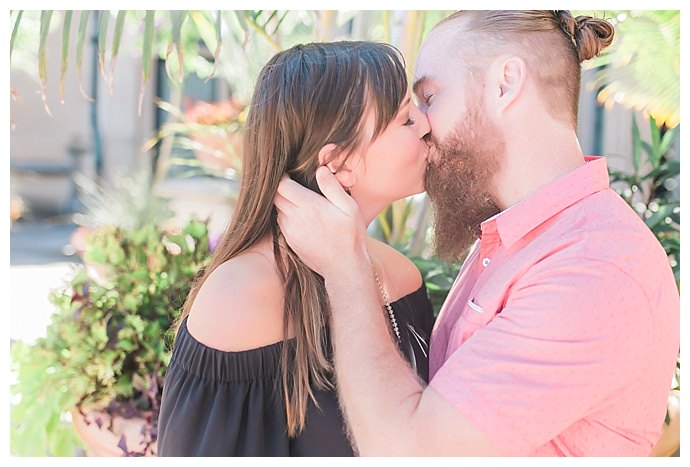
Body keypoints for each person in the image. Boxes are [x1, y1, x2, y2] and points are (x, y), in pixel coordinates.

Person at [274, 10, 680, 456]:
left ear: (505, 84)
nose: (423, 124)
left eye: (430, 97)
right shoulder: (523, 237)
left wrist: (345, 269)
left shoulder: (594, 269)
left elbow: (411, 453)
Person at [156, 41, 436, 456]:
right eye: (403, 119)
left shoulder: (400, 276)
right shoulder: (243, 297)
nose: (426, 124)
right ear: (340, 164)